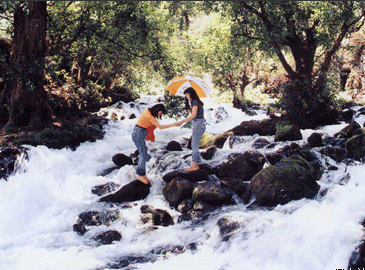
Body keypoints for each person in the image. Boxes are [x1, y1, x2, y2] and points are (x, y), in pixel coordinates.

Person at [132, 103, 179, 184]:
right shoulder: (149, 115)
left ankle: (142, 174)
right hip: (138, 133)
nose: (160, 114)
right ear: (157, 109)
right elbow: (160, 127)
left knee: (144, 154)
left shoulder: (148, 113)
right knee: (143, 154)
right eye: (160, 112)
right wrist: (173, 124)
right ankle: (140, 175)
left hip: (139, 132)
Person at [176, 87, 206, 172]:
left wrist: (182, 121)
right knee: (194, 144)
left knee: (194, 145)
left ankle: (195, 165)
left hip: (198, 124)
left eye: (186, 94)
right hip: (199, 123)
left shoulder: (195, 102)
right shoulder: (195, 102)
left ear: (190, 94)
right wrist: (188, 108)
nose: (186, 97)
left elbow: (193, 116)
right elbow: (194, 114)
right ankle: (196, 163)